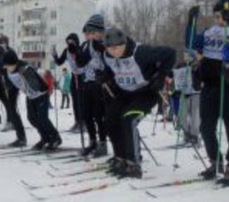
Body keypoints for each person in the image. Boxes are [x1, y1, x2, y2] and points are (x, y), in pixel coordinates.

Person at [187, 0, 229, 186]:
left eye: (221, 16)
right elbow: (191, 43)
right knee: (206, 127)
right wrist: (191, 22)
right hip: (211, 85)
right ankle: (215, 162)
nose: (218, 20)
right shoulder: (209, 32)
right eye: (215, 16)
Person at [100, 27, 176, 178]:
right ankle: (121, 158)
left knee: (129, 119)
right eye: (109, 48)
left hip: (146, 93)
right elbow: (112, 69)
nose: (113, 51)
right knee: (110, 120)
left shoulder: (141, 52)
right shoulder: (106, 56)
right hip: (125, 93)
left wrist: (161, 76)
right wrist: (104, 76)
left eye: (116, 48)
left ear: (124, 43)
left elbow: (170, 53)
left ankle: (134, 164)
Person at [2, 50, 62, 150]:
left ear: (15, 63)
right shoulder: (8, 71)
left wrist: (25, 77)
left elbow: (37, 84)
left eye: (9, 65)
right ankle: (45, 138)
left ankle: (55, 138)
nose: (7, 68)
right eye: (6, 66)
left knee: (43, 118)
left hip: (41, 94)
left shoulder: (25, 69)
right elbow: (11, 85)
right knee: (32, 118)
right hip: (30, 96)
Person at [69, 14, 108, 157]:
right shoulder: (85, 45)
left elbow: (104, 64)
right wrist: (75, 55)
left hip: (100, 85)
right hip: (87, 83)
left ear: (100, 33)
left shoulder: (103, 44)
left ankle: (103, 143)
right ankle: (92, 142)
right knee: (87, 114)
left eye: (92, 33)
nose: (88, 36)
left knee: (99, 115)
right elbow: (79, 67)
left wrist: (91, 56)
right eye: (87, 33)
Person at [52, 33, 85, 131]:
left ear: (76, 41)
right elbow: (59, 62)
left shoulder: (80, 49)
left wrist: (77, 52)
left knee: (82, 101)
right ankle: (77, 121)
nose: (69, 44)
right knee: (75, 101)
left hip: (82, 77)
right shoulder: (66, 51)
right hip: (73, 77)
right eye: (68, 42)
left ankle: (84, 122)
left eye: (71, 42)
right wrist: (55, 56)